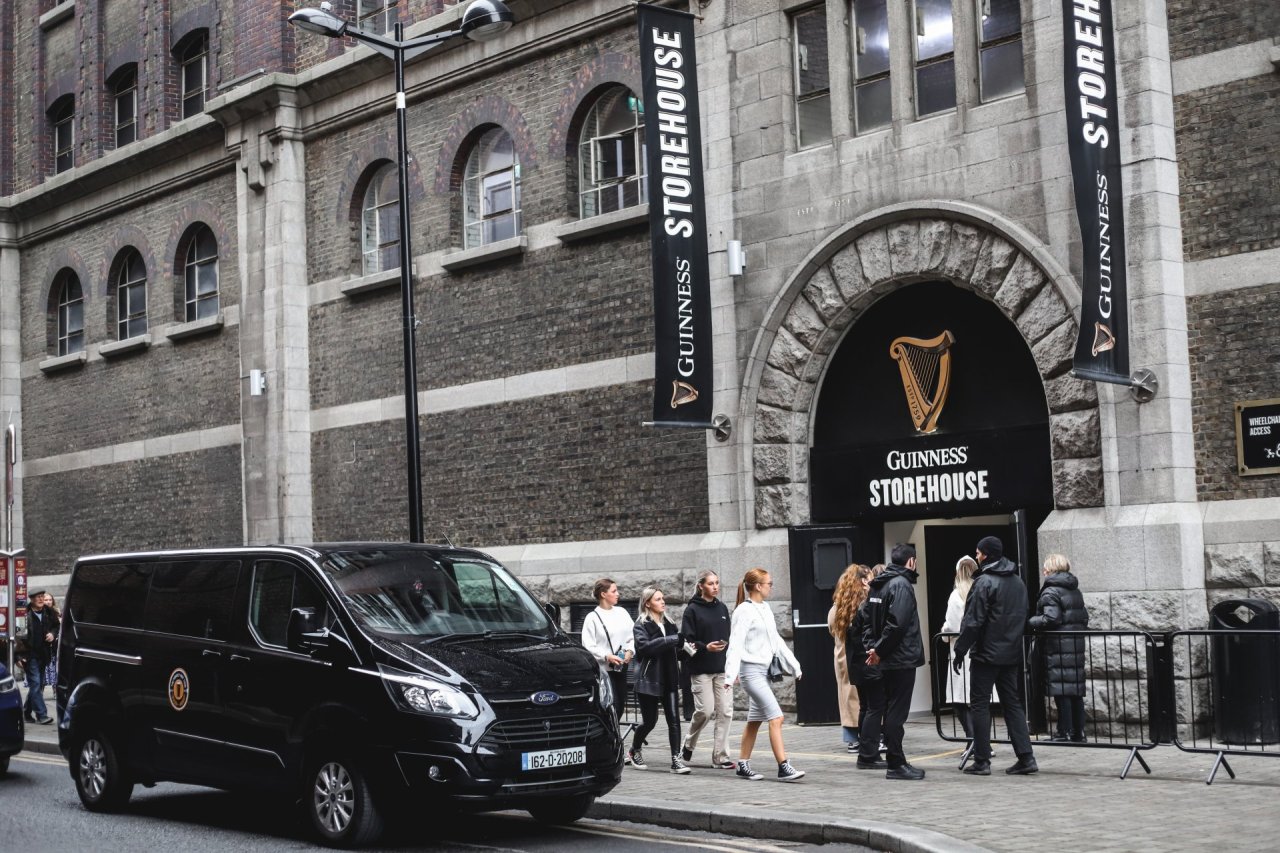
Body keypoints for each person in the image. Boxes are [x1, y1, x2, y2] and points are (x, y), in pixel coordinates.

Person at [953, 535, 1037, 776]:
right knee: (1012, 704)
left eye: (979, 552)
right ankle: (1026, 757)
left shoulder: (984, 582)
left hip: (986, 654)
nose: (976, 556)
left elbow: (973, 621)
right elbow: (1023, 616)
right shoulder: (1017, 582)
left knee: (979, 705)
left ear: (986, 555)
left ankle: (982, 760)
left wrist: (960, 650)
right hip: (1011, 653)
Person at [723, 568, 805, 782]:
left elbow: (776, 640)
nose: (771, 587)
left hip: (764, 672)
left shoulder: (765, 608)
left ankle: (743, 765)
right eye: (769, 583)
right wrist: (729, 676)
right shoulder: (743, 611)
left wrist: (794, 665)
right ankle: (783, 766)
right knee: (777, 717)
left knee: (754, 720)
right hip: (751, 673)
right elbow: (735, 644)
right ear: (758, 586)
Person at [863, 544, 927, 780]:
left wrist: (873, 648)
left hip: (887, 657)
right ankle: (896, 763)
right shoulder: (901, 584)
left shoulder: (878, 584)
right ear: (911, 562)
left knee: (891, 710)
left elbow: (867, 621)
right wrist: (878, 650)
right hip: (900, 658)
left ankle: (896, 761)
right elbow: (897, 624)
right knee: (896, 714)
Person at [631, 586, 695, 774]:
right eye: (658, 599)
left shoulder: (669, 623)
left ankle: (676, 760)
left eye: (663, 598)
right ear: (647, 603)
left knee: (674, 720)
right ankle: (634, 749)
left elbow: (674, 652)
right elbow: (646, 648)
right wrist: (672, 640)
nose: (663, 602)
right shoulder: (640, 625)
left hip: (670, 677)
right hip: (649, 680)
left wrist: (687, 650)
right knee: (650, 722)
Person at [1029, 553, 1090, 742]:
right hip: (1074, 645)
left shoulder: (1050, 592)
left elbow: (1051, 618)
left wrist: (1031, 621)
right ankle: (1079, 732)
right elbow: (1084, 617)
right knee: (1075, 691)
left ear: (1051, 569)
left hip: (1057, 647)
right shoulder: (1075, 590)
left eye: (1045, 568)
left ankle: (1064, 732)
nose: (1043, 571)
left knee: (1061, 690)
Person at [679, 570, 734, 769]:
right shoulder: (692, 610)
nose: (715, 587)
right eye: (711, 583)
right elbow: (686, 642)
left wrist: (733, 668)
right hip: (701, 669)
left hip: (722, 669)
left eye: (717, 583)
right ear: (701, 586)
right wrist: (705, 647)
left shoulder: (722, 608)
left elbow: (730, 639)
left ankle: (721, 757)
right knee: (705, 711)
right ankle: (688, 744)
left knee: (725, 712)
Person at [580, 578, 635, 728]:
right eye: (614, 591)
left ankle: (613, 736)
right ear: (603, 594)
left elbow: (633, 635)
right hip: (604, 671)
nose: (618, 594)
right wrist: (607, 656)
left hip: (620, 667)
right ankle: (612, 737)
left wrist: (630, 651)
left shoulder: (622, 612)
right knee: (612, 706)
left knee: (620, 705)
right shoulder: (592, 617)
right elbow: (588, 645)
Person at [828, 564, 870, 754]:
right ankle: (870, 735)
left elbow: (832, 629)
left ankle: (852, 739)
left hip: (843, 658)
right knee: (867, 697)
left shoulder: (837, 608)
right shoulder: (865, 605)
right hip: (861, 655)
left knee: (847, 696)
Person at [942, 556, 978, 739]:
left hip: (960, 652)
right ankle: (982, 741)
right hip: (979, 650)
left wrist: (944, 633)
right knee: (979, 701)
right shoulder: (980, 591)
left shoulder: (956, 595)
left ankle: (972, 739)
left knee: (959, 699)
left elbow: (951, 626)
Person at [23, 590, 58, 725]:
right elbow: (18, 636)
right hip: (29, 654)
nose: (41, 599)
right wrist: (18, 656)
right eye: (38, 597)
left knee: (37, 685)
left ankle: (26, 712)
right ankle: (42, 715)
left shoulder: (49, 612)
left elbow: (57, 626)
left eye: (42, 597)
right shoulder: (24, 613)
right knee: (36, 684)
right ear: (31, 599)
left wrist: (53, 634)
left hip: (44, 654)